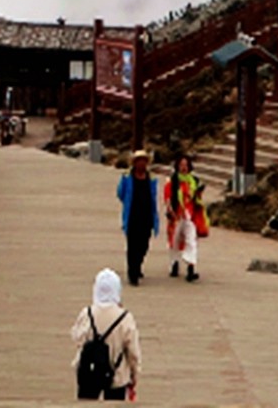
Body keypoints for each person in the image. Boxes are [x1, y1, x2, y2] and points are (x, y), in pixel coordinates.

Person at [70, 267, 141, 400]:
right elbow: (133, 352)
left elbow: (77, 337)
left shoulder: (87, 313)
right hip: (117, 374)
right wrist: (134, 374)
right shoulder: (125, 317)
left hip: (89, 371)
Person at [161, 154, 207, 281]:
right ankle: (174, 263)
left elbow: (197, 199)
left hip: (189, 216)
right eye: (181, 165)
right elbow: (168, 198)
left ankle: (191, 267)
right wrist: (171, 211)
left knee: (191, 241)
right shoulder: (172, 181)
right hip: (176, 216)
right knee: (174, 241)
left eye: (186, 165)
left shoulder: (194, 181)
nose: (184, 168)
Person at [116, 152, 158, 284]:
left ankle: (138, 265)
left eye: (144, 161)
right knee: (132, 245)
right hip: (133, 216)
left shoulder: (151, 178)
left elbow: (153, 196)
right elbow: (120, 193)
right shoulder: (127, 177)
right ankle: (132, 272)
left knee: (144, 245)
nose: (142, 164)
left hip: (147, 216)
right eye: (139, 161)